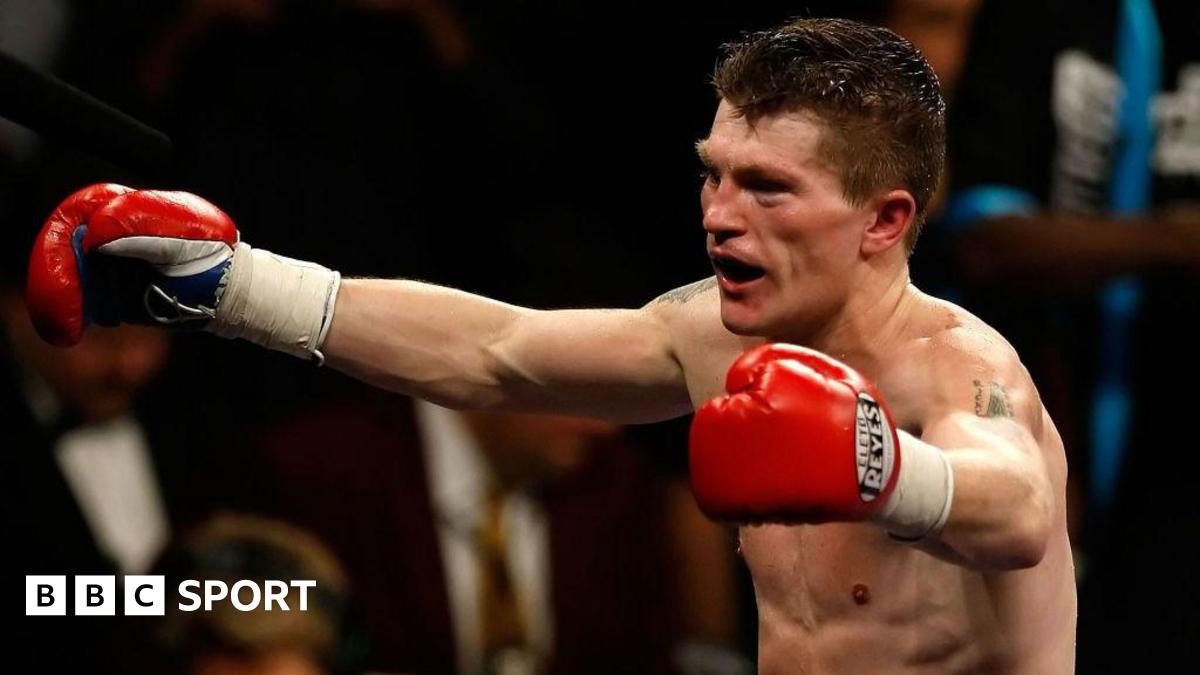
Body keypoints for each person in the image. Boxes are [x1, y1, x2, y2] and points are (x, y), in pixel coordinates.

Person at [24, 18, 1076, 674]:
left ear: (884, 222)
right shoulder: (706, 335)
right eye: (714, 172)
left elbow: (1016, 505)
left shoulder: (961, 369)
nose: (718, 215)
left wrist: (882, 467)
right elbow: (496, 353)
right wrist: (239, 285)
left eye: (766, 188)